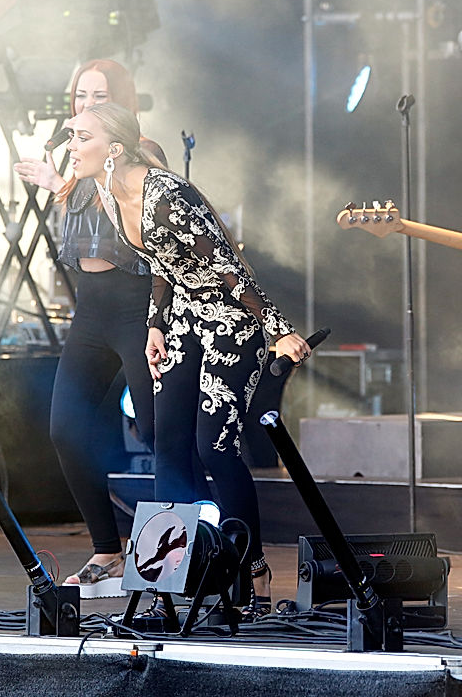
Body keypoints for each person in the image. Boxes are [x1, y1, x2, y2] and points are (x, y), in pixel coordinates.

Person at [74, 101, 310, 615]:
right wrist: (156, 324)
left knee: (214, 447)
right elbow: (162, 263)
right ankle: (169, 580)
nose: (71, 145)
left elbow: (226, 265)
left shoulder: (166, 195)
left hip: (230, 319)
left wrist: (278, 330)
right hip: (182, 316)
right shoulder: (109, 196)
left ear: (114, 149)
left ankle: (251, 573)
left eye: (80, 136)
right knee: (169, 443)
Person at [13, 60, 163, 598]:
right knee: (66, 427)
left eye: (100, 95)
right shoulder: (78, 151)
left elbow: (129, 216)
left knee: (156, 433)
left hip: (137, 305)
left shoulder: (141, 150)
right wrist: (60, 180)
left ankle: (171, 556)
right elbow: (82, 214)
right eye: (81, 94)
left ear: (122, 102)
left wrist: (66, 177)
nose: (88, 104)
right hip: (92, 311)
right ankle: (107, 547)